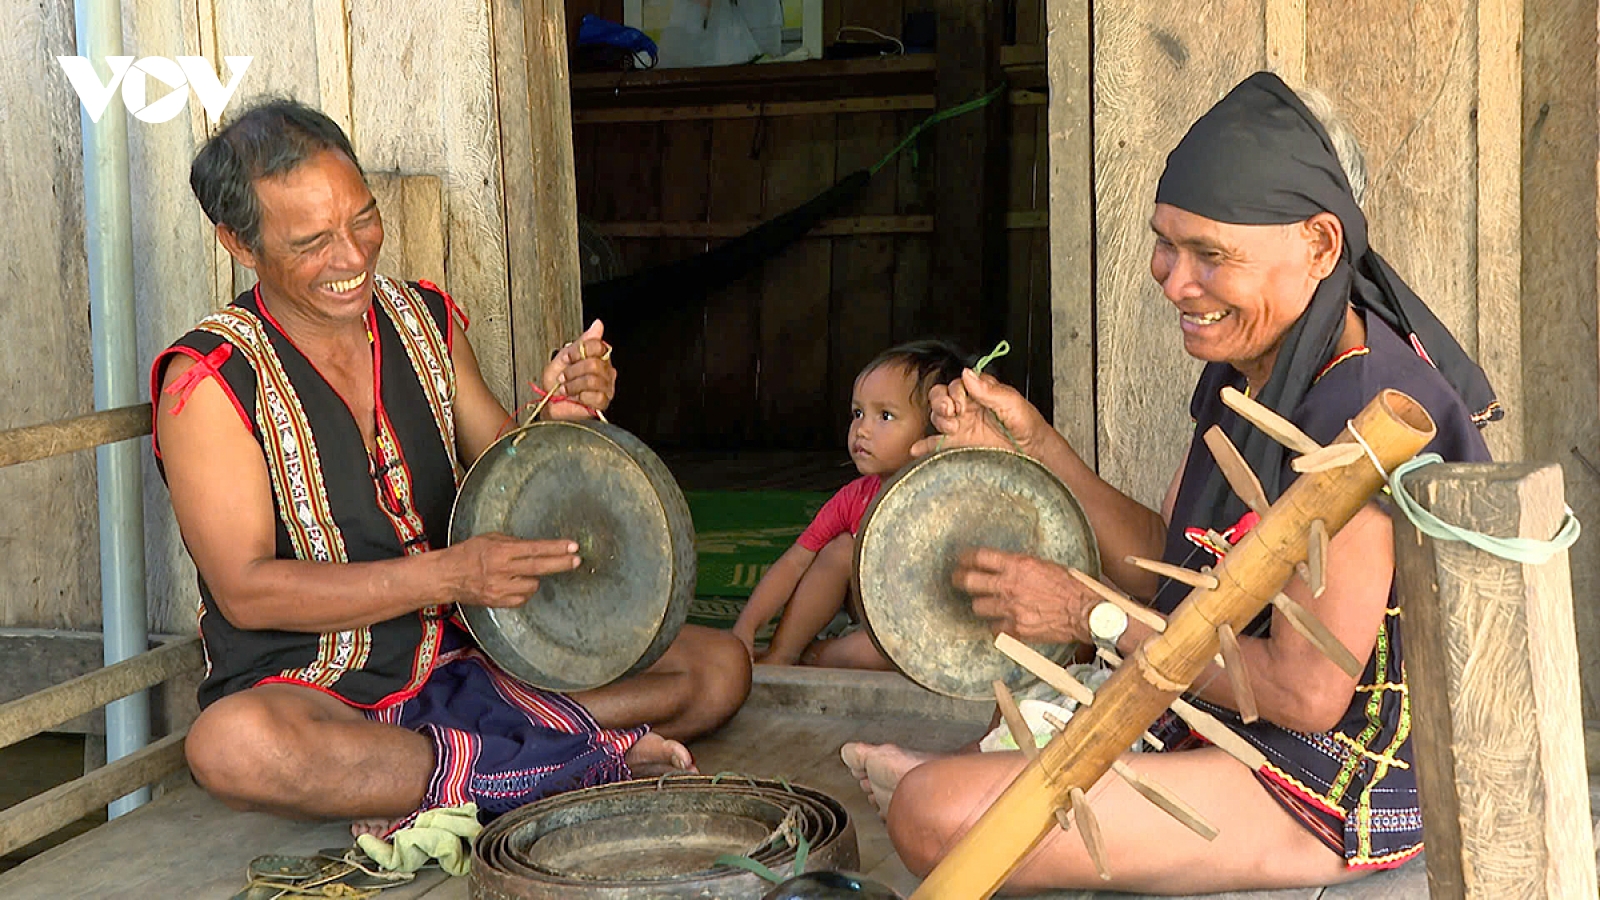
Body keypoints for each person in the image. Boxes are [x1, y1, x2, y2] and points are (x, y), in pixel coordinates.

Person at [840, 72, 1498, 894]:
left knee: (933, 817)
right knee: (965, 778)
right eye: (1166, 241)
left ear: (1321, 246)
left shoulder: (1365, 414)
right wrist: (1038, 447)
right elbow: (1173, 563)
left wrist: (1092, 615)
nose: (1172, 279)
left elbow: (1304, 692)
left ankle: (948, 785)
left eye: (1210, 255)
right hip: (1228, 722)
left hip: (1333, 784)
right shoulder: (1257, 365)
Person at [152, 98, 751, 838]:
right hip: (319, 689)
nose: (353, 257)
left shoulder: (423, 319)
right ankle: (568, 764)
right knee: (231, 747)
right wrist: (451, 575)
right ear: (239, 245)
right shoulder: (207, 380)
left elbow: (507, 467)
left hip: (474, 657)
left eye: (362, 218)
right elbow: (246, 593)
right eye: (313, 241)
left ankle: (462, 772)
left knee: (718, 668)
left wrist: (558, 415)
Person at [731, 341, 969, 668]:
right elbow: (794, 563)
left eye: (885, 415)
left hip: (924, 634)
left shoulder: (955, 499)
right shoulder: (854, 498)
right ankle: (783, 653)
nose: (862, 430)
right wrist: (746, 626)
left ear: (936, 428)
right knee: (841, 548)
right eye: (858, 413)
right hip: (871, 625)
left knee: (889, 653)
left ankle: (817, 656)